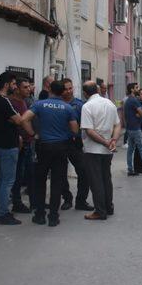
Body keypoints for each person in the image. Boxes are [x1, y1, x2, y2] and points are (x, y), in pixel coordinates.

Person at [21, 80, 79, 227]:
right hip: (61, 147)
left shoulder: (39, 104)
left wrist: (33, 134)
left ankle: (40, 215)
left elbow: (24, 119)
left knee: (40, 181)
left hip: (43, 146)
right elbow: (75, 130)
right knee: (57, 182)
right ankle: (53, 216)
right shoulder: (68, 108)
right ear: (62, 92)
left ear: (50, 90)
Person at [0, 72, 28, 225]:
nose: (15, 86)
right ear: (6, 85)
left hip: (0, 145)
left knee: (2, 179)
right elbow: (19, 120)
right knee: (8, 181)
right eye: (13, 84)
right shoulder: (3, 101)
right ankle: (3, 213)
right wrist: (18, 117)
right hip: (7, 146)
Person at [80, 81, 122, 221]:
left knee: (96, 181)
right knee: (106, 179)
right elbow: (117, 124)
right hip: (108, 150)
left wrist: (106, 142)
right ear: (97, 90)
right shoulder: (109, 104)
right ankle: (108, 207)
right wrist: (113, 141)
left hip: (93, 149)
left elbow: (89, 131)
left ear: (85, 93)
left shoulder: (87, 106)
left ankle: (100, 211)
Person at [61, 78, 93, 211]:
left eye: (70, 88)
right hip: (61, 143)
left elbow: (86, 125)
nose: (69, 91)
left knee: (84, 172)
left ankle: (81, 201)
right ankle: (67, 199)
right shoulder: (58, 104)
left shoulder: (80, 105)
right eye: (66, 89)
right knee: (61, 173)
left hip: (76, 143)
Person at [9, 77, 34, 214]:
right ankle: (17, 203)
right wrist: (31, 134)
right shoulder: (12, 103)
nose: (28, 89)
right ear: (17, 89)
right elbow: (17, 123)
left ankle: (34, 202)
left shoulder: (23, 101)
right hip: (20, 144)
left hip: (27, 143)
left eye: (29, 86)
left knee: (29, 174)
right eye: (25, 87)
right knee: (17, 176)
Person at [121, 83, 137, 149]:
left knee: (130, 130)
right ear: (132, 90)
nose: (137, 89)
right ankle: (125, 142)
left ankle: (130, 142)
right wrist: (124, 118)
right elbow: (123, 109)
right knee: (127, 130)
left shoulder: (134, 98)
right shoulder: (126, 99)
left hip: (133, 118)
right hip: (128, 118)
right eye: (136, 87)